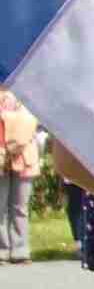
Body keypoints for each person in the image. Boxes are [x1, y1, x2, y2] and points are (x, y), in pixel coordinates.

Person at [0, 85, 37, 264]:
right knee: (0, 207)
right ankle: (2, 250)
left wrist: (6, 120)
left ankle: (20, 250)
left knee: (20, 207)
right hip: (1, 156)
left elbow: (28, 123)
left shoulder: (24, 93)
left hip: (24, 157)